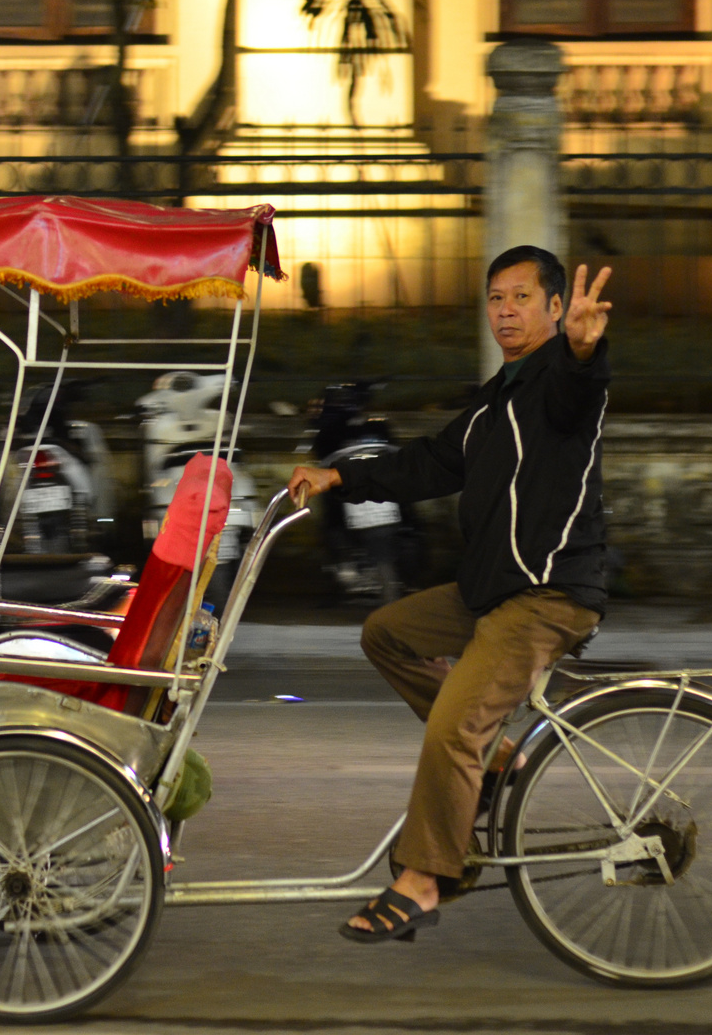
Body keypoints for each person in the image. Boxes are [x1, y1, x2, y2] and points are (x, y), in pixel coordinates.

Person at [287, 245, 613, 943]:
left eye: (522, 297)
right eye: (496, 298)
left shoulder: (559, 379)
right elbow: (433, 462)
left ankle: (424, 880)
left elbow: (580, 389)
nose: (505, 310)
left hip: (546, 592)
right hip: (492, 588)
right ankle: (497, 759)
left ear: (556, 308)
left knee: (452, 728)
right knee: (388, 631)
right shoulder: (498, 395)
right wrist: (339, 478)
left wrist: (585, 350)